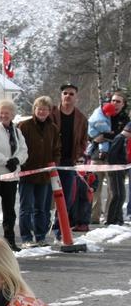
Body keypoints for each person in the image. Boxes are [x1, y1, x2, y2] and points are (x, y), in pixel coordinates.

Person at [0, 99, 28, 251]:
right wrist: (6, 161)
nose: (4, 115)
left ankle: (10, 240)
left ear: (12, 115)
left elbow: (24, 150)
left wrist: (16, 160)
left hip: (11, 177)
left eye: (7, 113)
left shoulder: (17, 131)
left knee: (9, 210)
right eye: (1, 113)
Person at [17, 96, 61, 247]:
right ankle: (26, 238)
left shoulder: (53, 128)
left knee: (42, 209)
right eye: (39, 109)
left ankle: (41, 236)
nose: (42, 112)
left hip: (45, 176)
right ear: (34, 109)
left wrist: (54, 165)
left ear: (49, 111)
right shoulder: (24, 126)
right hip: (27, 175)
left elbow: (57, 150)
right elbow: (18, 148)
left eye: (45, 109)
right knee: (26, 208)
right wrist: (22, 165)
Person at [51, 84, 88, 238]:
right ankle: (40, 231)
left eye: (71, 94)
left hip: (68, 163)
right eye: (65, 93)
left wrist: (78, 155)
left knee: (65, 198)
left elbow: (84, 141)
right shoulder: (51, 113)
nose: (68, 96)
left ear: (76, 97)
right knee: (45, 199)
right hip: (50, 162)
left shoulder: (81, 118)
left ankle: (59, 230)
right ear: (61, 96)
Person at [88, 91, 128, 224]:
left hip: (115, 159)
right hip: (97, 157)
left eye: (118, 101)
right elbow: (90, 133)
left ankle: (109, 218)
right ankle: (93, 217)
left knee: (113, 191)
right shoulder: (101, 113)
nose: (115, 103)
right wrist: (95, 138)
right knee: (95, 188)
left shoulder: (124, 119)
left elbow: (120, 136)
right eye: (113, 100)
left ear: (123, 104)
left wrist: (103, 136)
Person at [104, 122, 130, 225]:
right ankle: (112, 219)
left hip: (120, 170)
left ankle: (118, 218)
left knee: (121, 195)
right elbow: (112, 154)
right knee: (118, 195)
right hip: (116, 170)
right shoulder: (119, 139)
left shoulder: (123, 139)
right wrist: (117, 167)